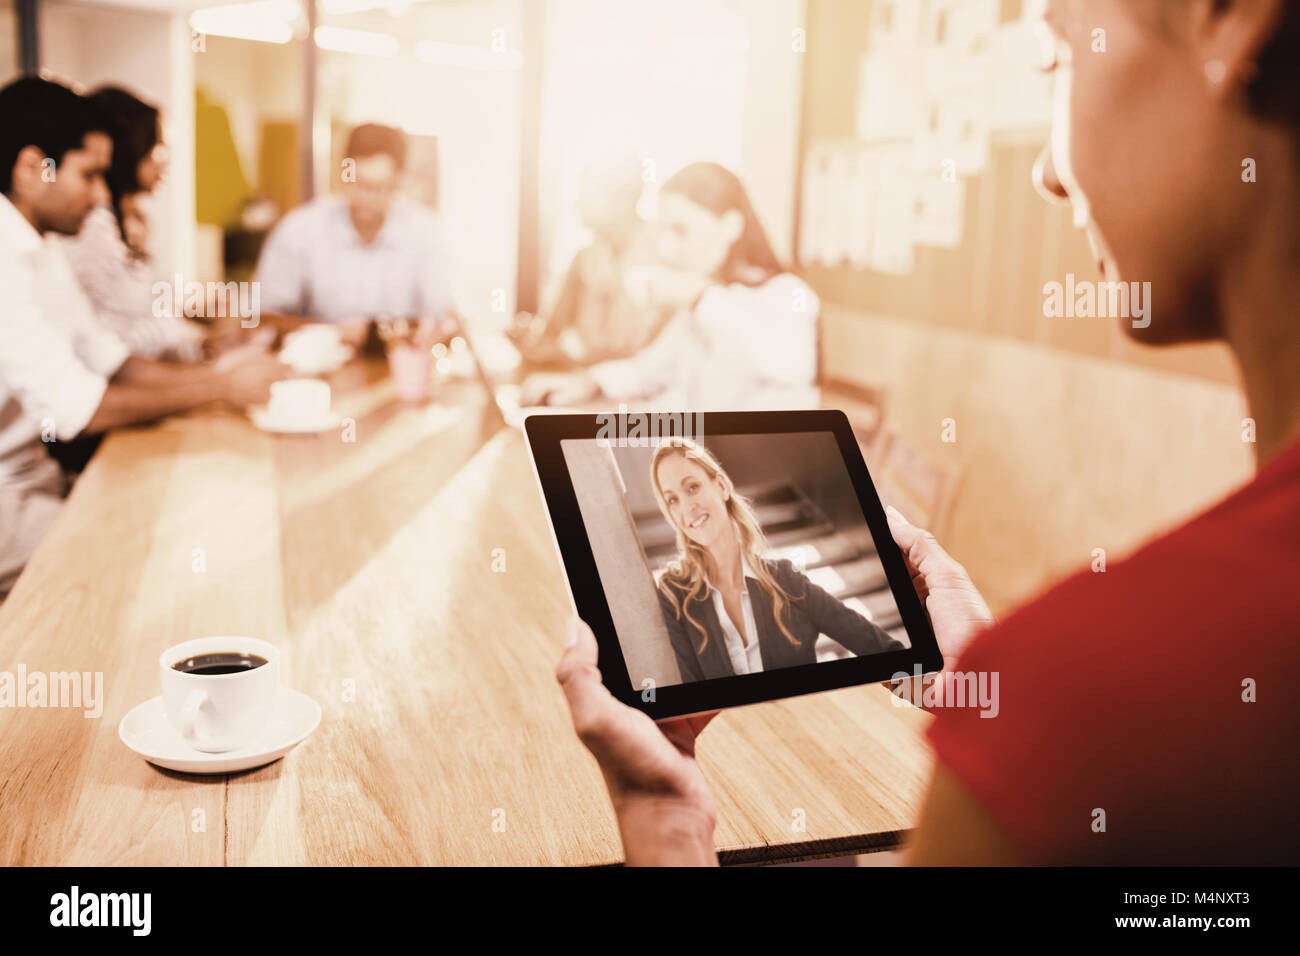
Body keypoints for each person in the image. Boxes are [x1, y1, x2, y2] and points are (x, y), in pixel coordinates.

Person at [554, 0, 1300, 865]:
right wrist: (990, 689)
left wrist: (666, 825)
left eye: (1058, 57)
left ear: (1230, 19)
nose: (1049, 174)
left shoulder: (1100, 703)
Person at [0, 78, 288, 597]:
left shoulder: (38, 248)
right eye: (88, 175)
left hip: (35, 480)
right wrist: (219, 387)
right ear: (30, 169)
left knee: (181, 515)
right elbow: (76, 411)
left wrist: (215, 374)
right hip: (7, 500)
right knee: (158, 557)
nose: (98, 196)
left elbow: (108, 356)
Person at [520, 162, 819, 411]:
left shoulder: (789, 296)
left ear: (730, 226)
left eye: (680, 230)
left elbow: (785, 363)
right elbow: (648, 371)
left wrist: (698, 295)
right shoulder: (706, 300)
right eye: (663, 230)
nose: (666, 248)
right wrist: (589, 382)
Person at [652, 441, 901, 682]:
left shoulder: (786, 580)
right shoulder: (675, 595)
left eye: (692, 487)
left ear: (721, 486)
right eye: (672, 500)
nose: (686, 508)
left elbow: (880, 648)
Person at [253, 122, 454, 348]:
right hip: (315, 372)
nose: (367, 197)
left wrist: (412, 332)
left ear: (399, 181)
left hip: (398, 370)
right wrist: (332, 332)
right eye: (358, 184)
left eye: (379, 187)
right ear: (343, 173)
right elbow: (262, 318)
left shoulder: (425, 231)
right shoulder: (299, 229)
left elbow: (444, 319)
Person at [59, 86, 205, 362]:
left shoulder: (124, 222)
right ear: (130, 149)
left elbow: (132, 314)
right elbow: (103, 341)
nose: (164, 160)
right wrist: (189, 339)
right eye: (156, 146)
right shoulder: (92, 224)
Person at [508, 156, 672, 365]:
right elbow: (550, 333)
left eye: (586, 192)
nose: (576, 202)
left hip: (639, 390)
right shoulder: (584, 258)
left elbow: (661, 360)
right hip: (587, 385)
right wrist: (532, 340)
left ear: (623, 200)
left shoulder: (666, 253)